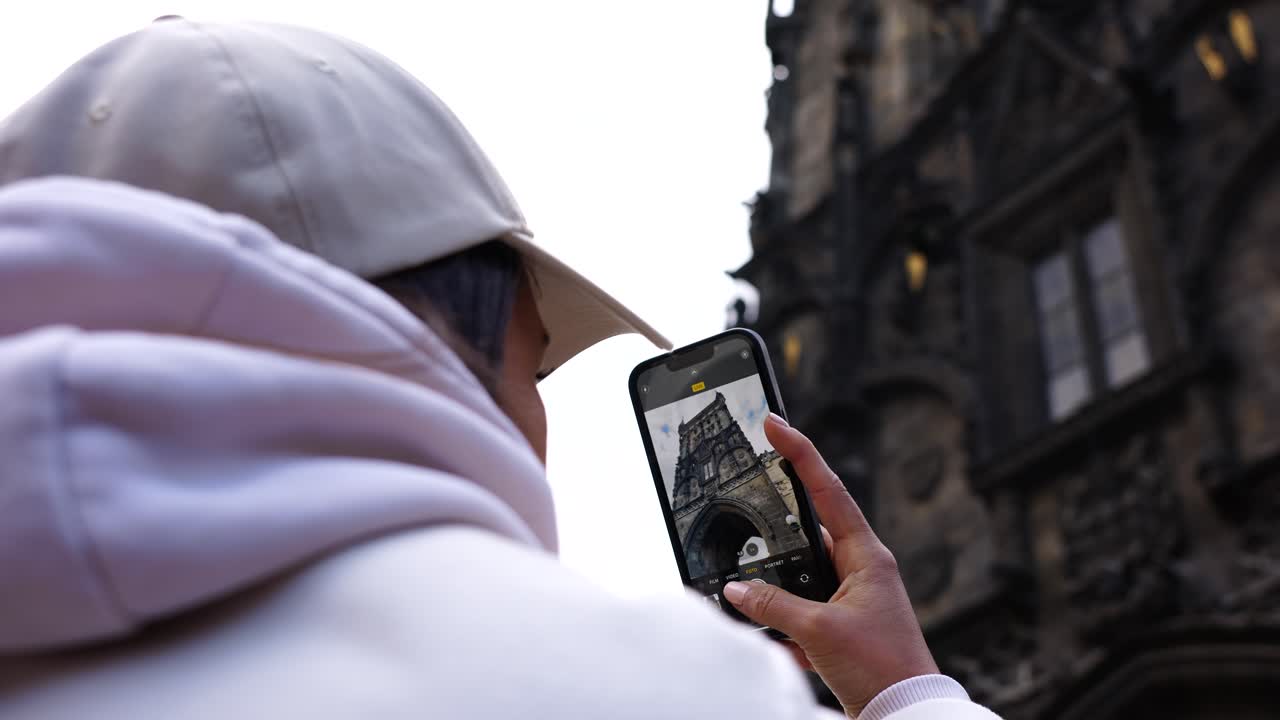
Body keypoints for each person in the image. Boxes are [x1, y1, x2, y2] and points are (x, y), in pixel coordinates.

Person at [0, 18, 1000, 720]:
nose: (535, 418)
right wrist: (904, 693)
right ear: (445, 337)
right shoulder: (644, 685)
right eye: (533, 361)